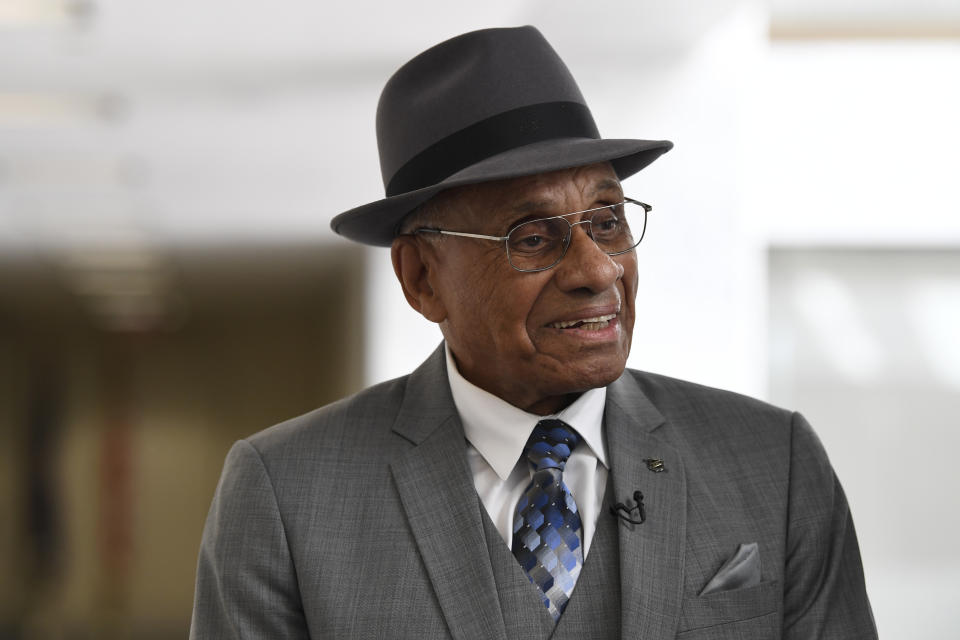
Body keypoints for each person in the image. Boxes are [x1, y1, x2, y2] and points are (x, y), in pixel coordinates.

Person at [190, 26, 877, 639]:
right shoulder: (286, 495)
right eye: (533, 236)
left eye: (607, 220)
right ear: (422, 277)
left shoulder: (773, 462)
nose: (597, 269)